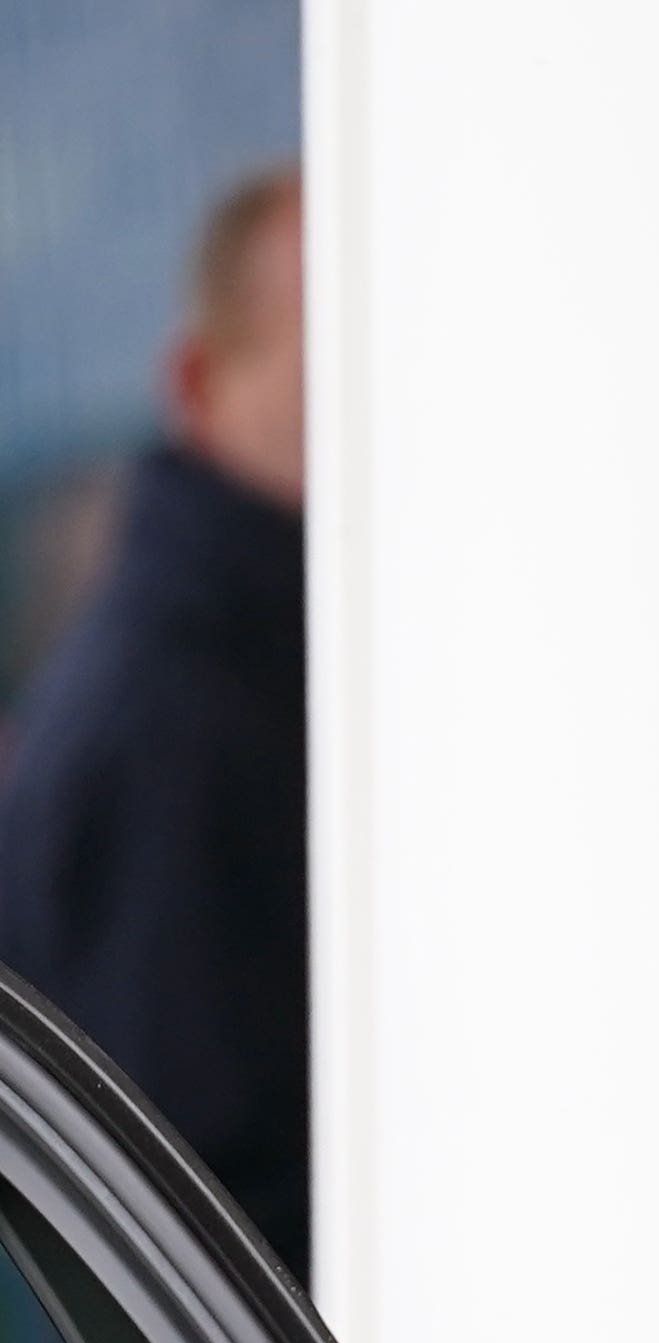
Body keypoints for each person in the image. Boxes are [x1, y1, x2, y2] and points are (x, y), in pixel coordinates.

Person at [0, 168, 310, 1274]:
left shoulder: (259, 673)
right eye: (330, 372)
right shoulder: (164, 723)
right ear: (197, 380)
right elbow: (189, 1217)